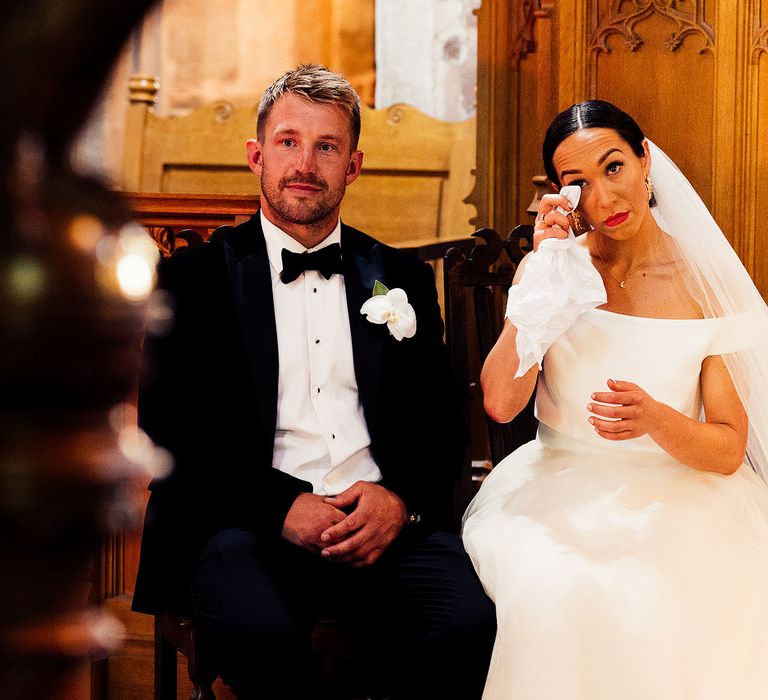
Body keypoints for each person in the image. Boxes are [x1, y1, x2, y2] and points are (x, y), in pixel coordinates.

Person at [132, 64, 495, 699]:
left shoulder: (401, 278)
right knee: (261, 633)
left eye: (327, 146)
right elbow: (169, 432)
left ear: (353, 166)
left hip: (382, 523)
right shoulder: (191, 281)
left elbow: (439, 422)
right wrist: (280, 508)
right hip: (245, 524)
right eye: (289, 141)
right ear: (257, 155)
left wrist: (399, 502)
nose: (306, 163)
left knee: (467, 623)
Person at [462, 100, 768, 699]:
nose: (604, 197)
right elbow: (500, 403)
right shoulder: (553, 273)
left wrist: (656, 419)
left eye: (614, 167)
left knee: (680, 593)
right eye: (579, 183)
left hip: (684, 491)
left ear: (645, 159)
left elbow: (729, 448)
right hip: (558, 487)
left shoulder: (705, 284)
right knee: (569, 589)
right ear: (561, 195)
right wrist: (544, 277)